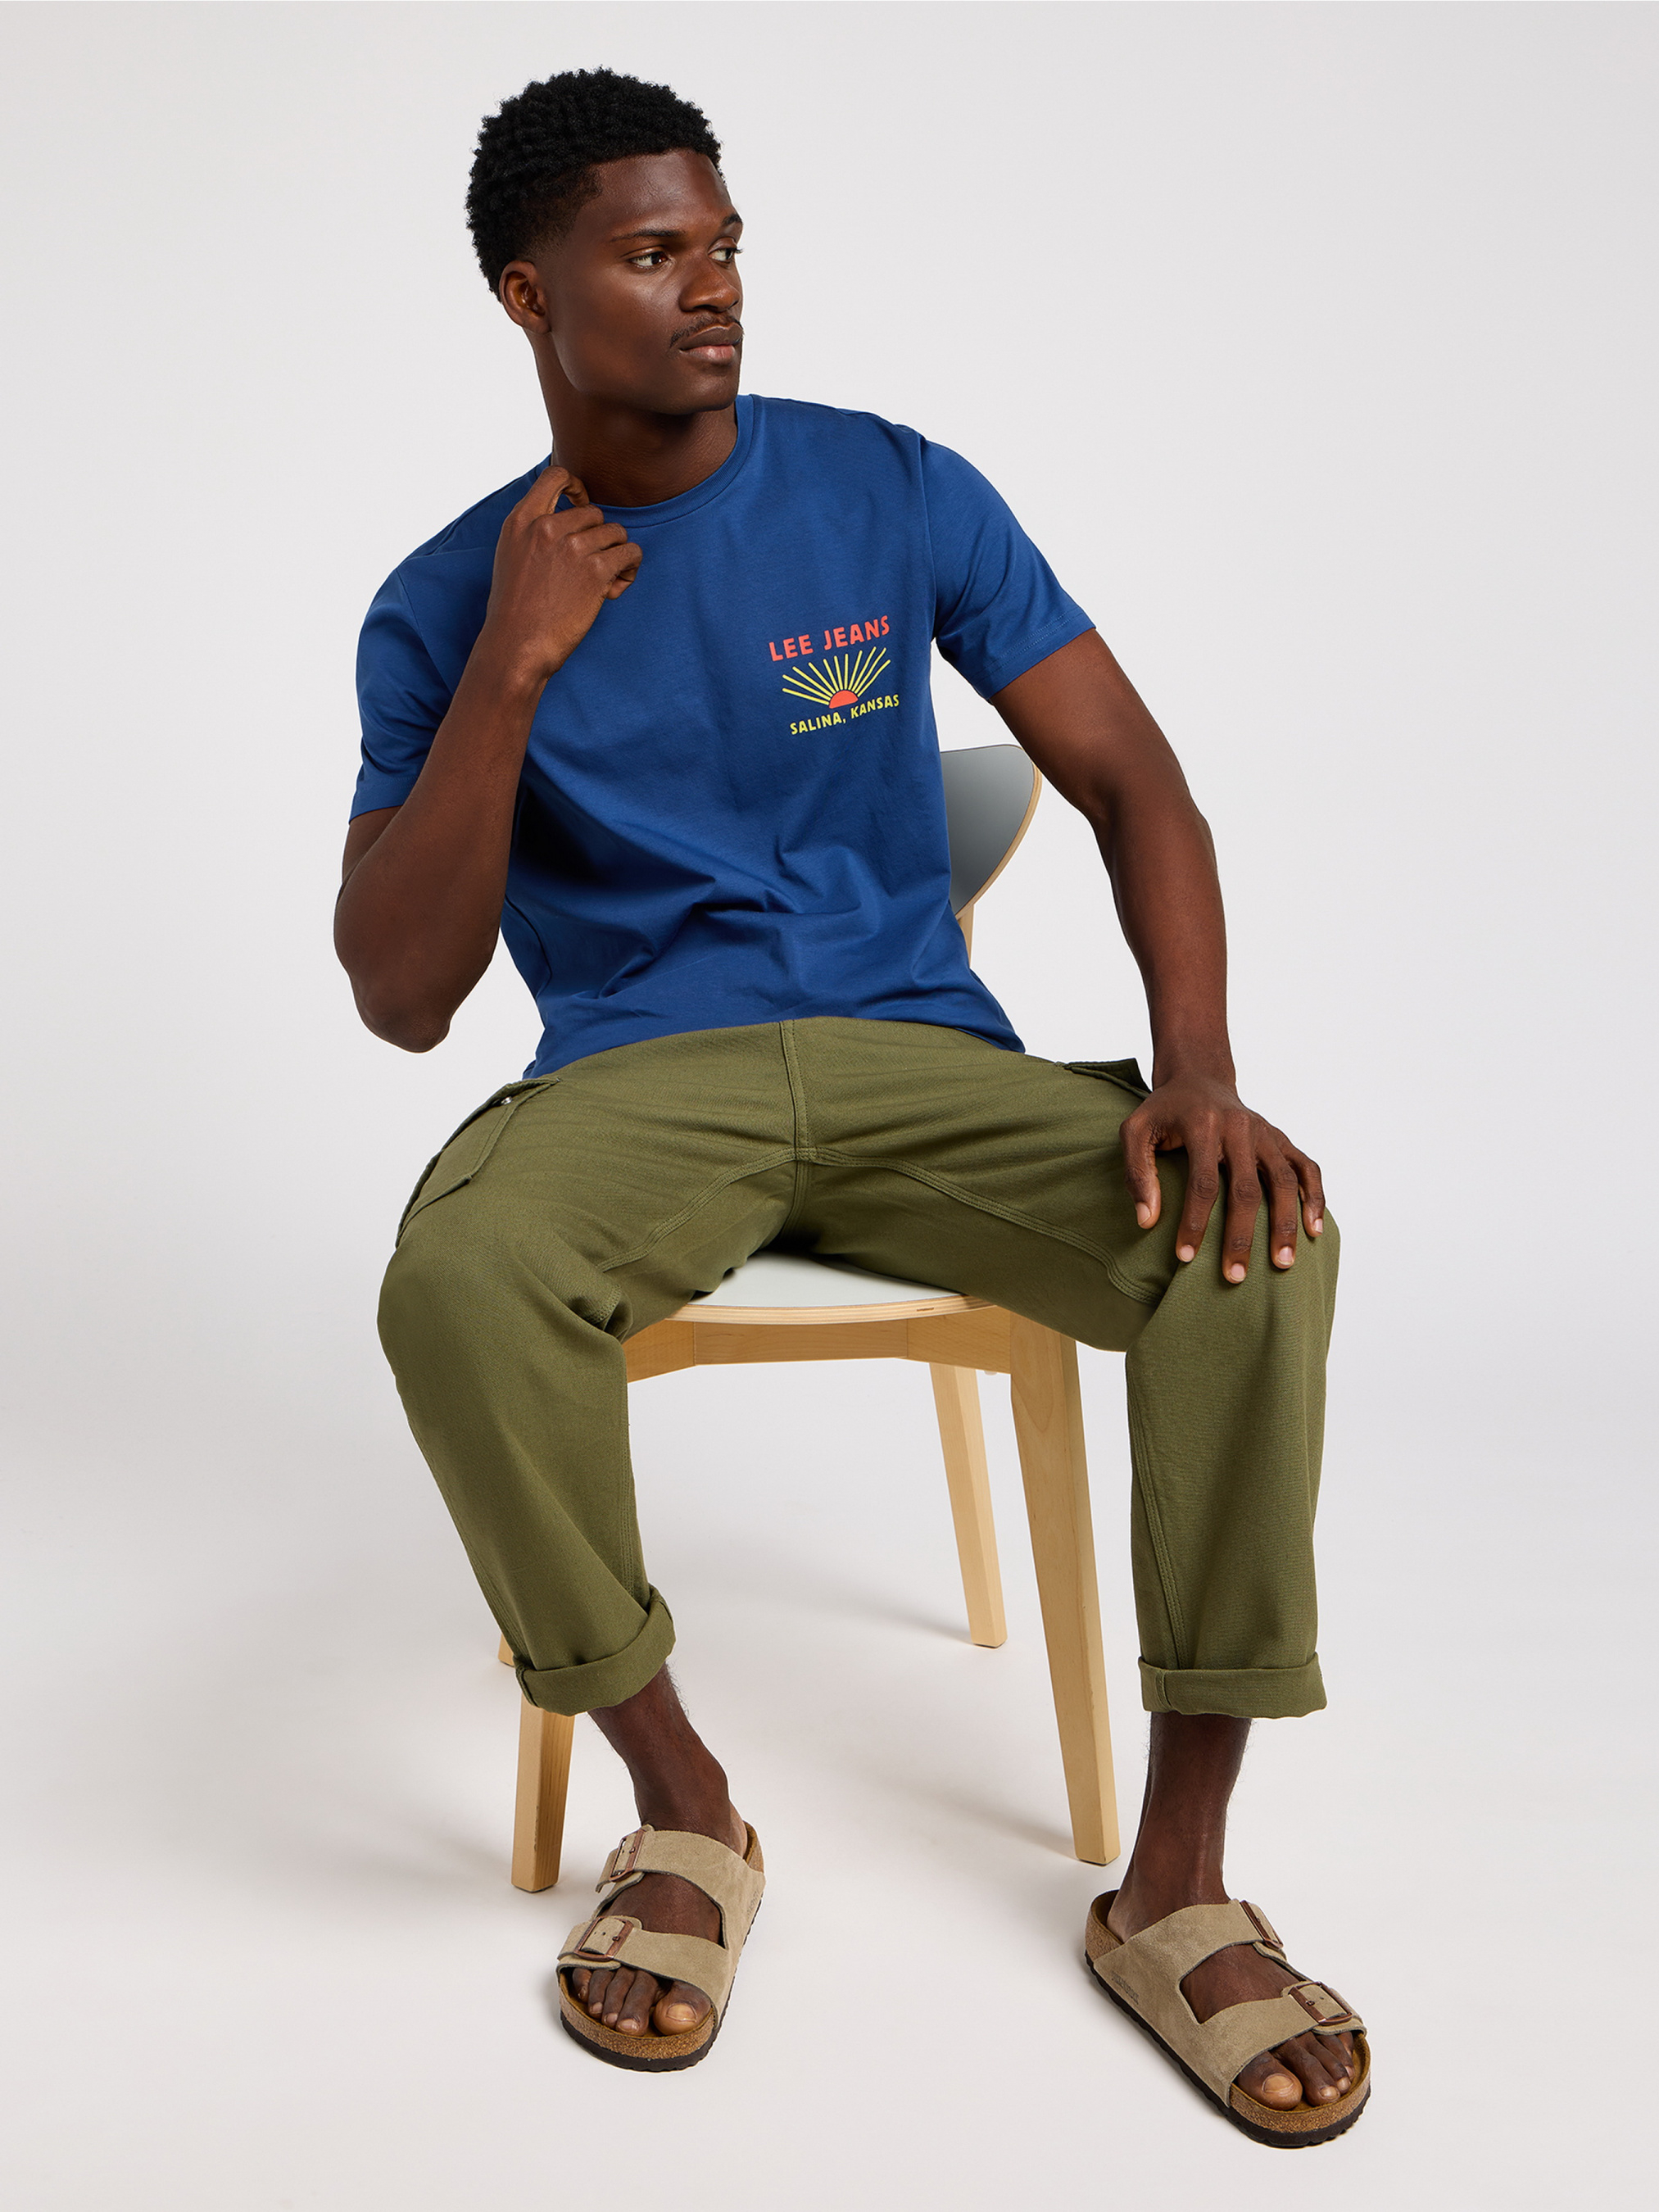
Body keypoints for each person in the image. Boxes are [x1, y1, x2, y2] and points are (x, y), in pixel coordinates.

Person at [335, 67, 1367, 2142]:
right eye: (653, 254)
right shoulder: (447, 599)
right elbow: (400, 994)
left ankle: (1175, 1880)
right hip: (642, 1079)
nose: (712, 288)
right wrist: (512, 671)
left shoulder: (892, 488)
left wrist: (1195, 1071)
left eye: (721, 244)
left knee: (1251, 1241)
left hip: (921, 1065)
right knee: (454, 1283)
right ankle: (684, 1810)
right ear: (527, 296)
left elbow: (1129, 777)